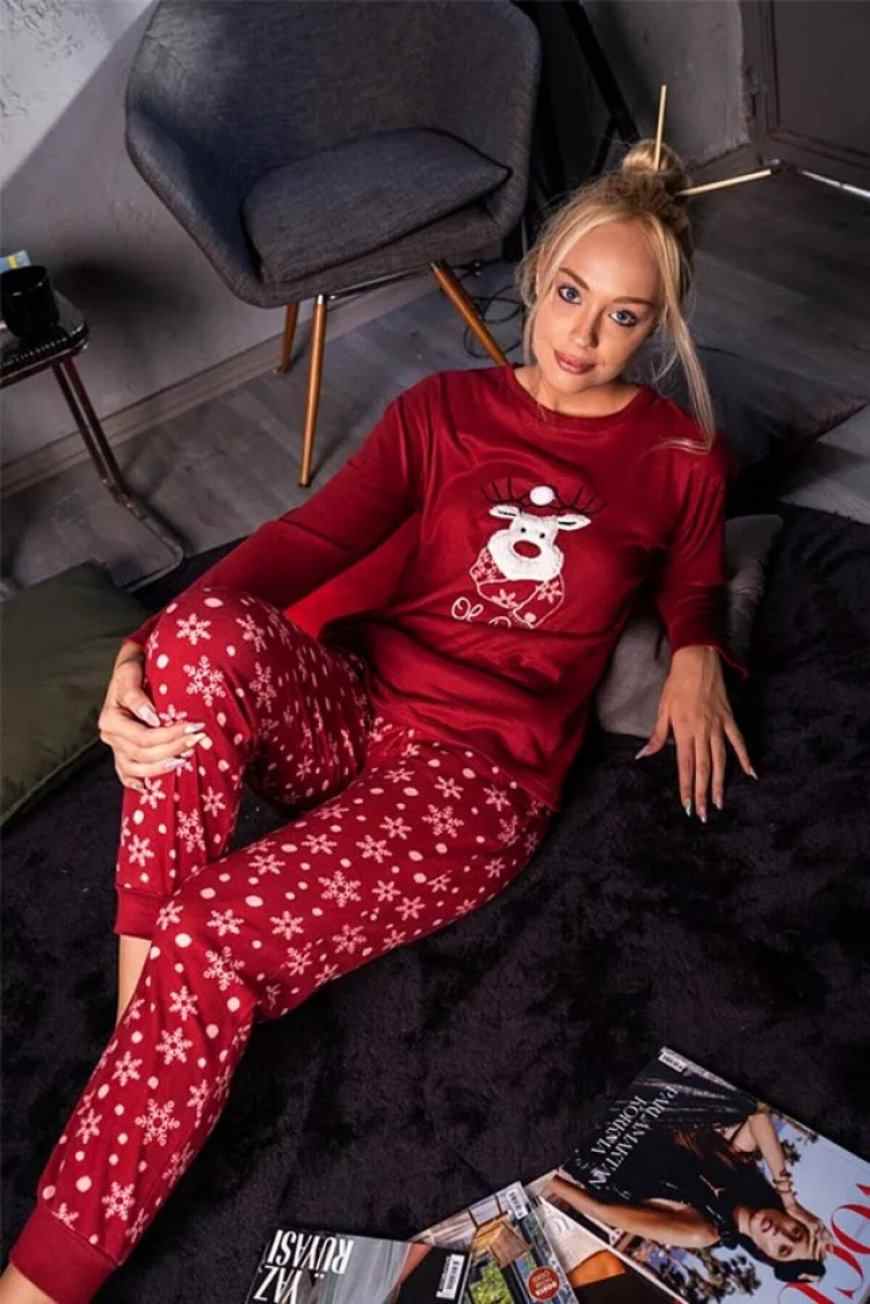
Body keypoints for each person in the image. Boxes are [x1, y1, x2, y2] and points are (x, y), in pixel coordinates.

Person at [2, 137, 758, 1303]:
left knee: (218, 930)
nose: (582, 336)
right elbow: (307, 540)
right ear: (537, 274)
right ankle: (138, 1013)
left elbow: (697, 574)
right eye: (569, 294)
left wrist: (697, 647)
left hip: (476, 781)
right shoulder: (443, 410)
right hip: (359, 709)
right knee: (199, 637)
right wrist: (140, 647)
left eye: (623, 316)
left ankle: (39, 1281)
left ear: (658, 325)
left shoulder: (678, 456)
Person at [542, 1107, 832, 1285]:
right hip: (618, 1107)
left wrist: (539, 1178)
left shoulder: (703, 1231)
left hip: (577, 1145)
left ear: (766, 1254)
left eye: (783, 1249)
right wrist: (789, 1198)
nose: (781, 1234)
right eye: (795, 1231)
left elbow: (601, 1210)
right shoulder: (735, 1168)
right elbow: (758, 1112)